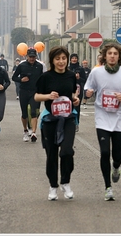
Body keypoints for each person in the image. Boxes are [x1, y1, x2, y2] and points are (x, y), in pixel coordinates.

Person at [84, 42, 121, 201]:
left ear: (120, 56)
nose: (112, 56)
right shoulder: (96, 72)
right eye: (109, 53)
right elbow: (87, 89)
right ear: (104, 55)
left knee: (117, 155)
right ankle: (108, 187)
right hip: (102, 117)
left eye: (115, 54)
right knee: (104, 152)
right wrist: (87, 93)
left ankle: (116, 168)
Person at [35, 46, 80, 201]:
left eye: (63, 58)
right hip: (50, 120)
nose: (61, 62)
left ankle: (65, 182)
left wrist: (75, 99)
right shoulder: (46, 77)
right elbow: (36, 97)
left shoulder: (71, 75)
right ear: (52, 60)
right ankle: (53, 186)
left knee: (67, 151)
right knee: (52, 154)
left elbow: (72, 93)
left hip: (68, 118)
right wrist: (48, 96)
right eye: (57, 59)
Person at [12, 48, 44, 142]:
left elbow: (41, 78)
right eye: (30, 57)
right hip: (24, 91)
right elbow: (14, 77)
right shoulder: (22, 66)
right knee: (24, 114)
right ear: (27, 56)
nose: (32, 59)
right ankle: (25, 131)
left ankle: (33, 132)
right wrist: (21, 80)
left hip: (34, 92)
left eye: (33, 57)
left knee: (34, 112)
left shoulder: (39, 66)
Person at [68, 53, 87, 132]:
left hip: (78, 90)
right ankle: (69, 123)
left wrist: (79, 78)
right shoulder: (67, 68)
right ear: (70, 59)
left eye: (75, 58)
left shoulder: (80, 69)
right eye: (72, 58)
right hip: (68, 89)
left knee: (77, 107)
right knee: (69, 106)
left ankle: (76, 123)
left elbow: (85, 80)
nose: (74, 59)